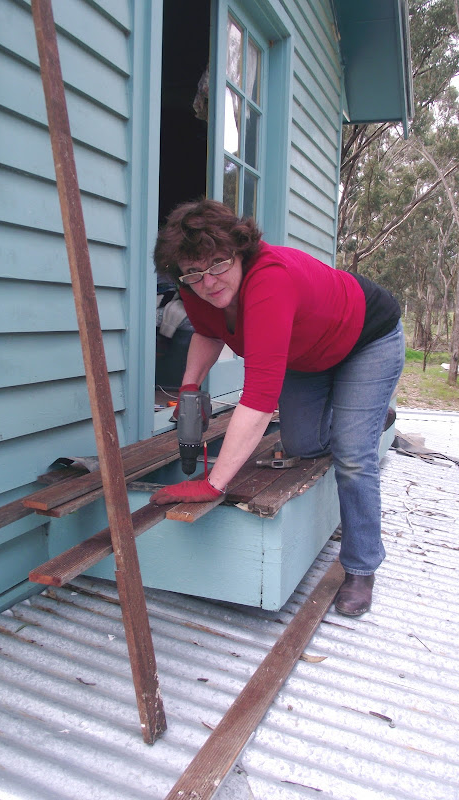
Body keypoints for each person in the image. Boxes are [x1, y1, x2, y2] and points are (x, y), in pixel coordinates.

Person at [150, 199, 404, 616]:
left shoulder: (270, 280)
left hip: (366, 339)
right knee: (303, 442)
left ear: (240, 249)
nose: (207, 282)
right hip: (306, 356)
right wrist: (190, 387)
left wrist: (213, 483)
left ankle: (361, 566)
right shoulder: (194, 286)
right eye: (193, 272)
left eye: (217, 263)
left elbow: (259, 401)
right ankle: (365, 419)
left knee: (353, 458)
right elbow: (211, 332)